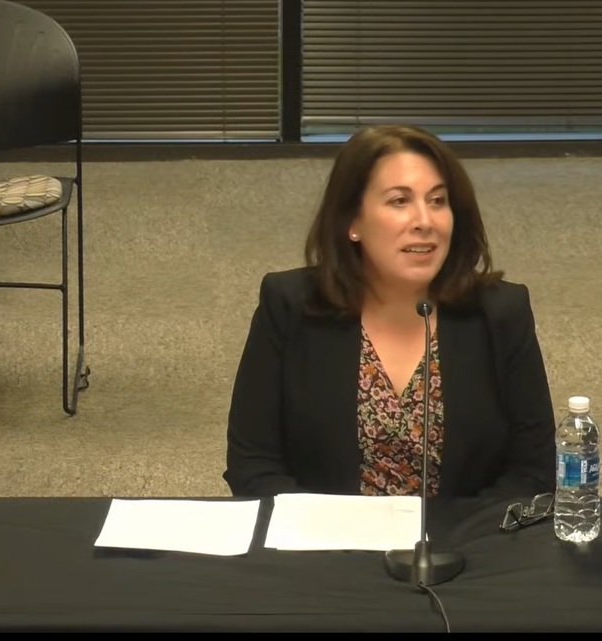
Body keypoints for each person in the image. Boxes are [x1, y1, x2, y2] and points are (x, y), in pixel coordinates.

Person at [223, 124, 556, 500]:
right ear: (352, 222)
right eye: (400, 201)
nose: (425, 222)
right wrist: (323, 537)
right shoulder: (288, 304)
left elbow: (533, 471)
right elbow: (252, 463)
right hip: (323, 546)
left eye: (437, 201)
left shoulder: (501, 313)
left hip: (464, 548)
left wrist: (454, 544)